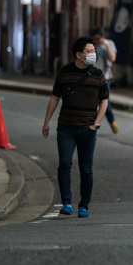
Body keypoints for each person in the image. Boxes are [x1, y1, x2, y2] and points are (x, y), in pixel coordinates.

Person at [42, 37, 110, 218]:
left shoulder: (98, 75)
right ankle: (66, 202)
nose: (93, 54)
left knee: (86, 169)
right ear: (79, 55)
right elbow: (55, 97)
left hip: (88, 129)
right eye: (90, 51)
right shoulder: (64, 73)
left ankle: (84, 205)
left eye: (94, 51)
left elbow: (104, 101)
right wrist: (47, 121)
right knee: (65, 164)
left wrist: (96, 124)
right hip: (66, 127)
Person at [91, 27, 119, 133]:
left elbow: (113, 58)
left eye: (98, 39)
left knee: (104, 102)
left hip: (105, 78)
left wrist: (106, 45)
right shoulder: (91, 46)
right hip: (92, 77)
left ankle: (112, 121)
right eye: (95, 39)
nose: (97, 41)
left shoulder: (110, 44)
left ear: (103, 37)